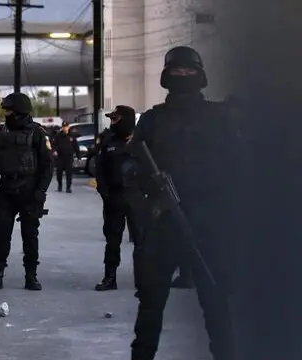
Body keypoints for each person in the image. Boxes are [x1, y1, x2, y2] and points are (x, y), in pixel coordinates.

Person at [128, 46, 236, 359]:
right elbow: (130, 166)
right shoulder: (151, 120)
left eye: (189, 72)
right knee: (151, 306)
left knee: (218, 306)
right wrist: (150, 182)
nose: (184, 76)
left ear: (200, 77)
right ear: (166, 77)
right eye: (177, 72)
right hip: (165, 222)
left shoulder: (221, 119)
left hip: (210, 223)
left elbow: (241, 167)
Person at [0, 92, 53, 291]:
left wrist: (41, 191)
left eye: (9, 110)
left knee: (30, 235)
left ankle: (31, 276)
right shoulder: (3, 132)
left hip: (28, 190)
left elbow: (47, 166)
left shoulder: (37, 133)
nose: (7, 113)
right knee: (2, 234)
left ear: (20, 111)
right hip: (5, 189)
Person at [93, 105, 142, 292]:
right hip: (114, 197)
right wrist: (104, 192)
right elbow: (100, 169)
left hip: (136, 196)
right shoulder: (108, 141)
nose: (112, 123)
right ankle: (109, 278)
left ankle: (141, 280)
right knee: (113, 240)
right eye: (111, 119)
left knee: (141, 241)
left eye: (116, 119)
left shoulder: (141, 141)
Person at [53, 121, 81, 193]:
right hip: (60, 157)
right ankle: (60, 185)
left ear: (68, 127)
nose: (65, 128)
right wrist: (54, 151)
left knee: (69, 173)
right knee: (59, 173)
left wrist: (79, 156)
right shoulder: (58, 136)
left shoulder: (72, 136)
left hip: (69, 157)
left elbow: (76, 146)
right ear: (62, 127)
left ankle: (68, 187)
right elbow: (54, 145)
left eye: (66, 126)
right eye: (63, 127)